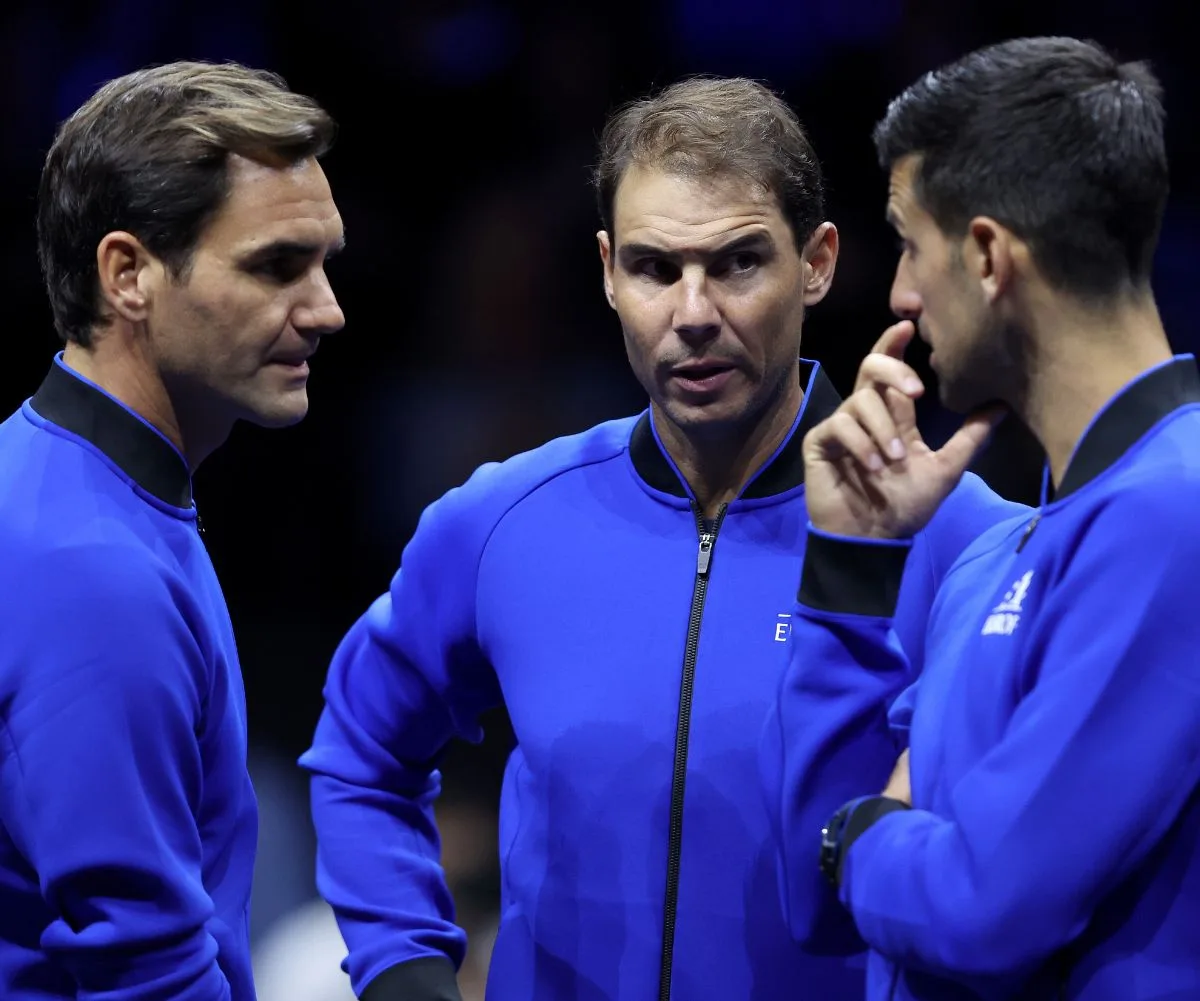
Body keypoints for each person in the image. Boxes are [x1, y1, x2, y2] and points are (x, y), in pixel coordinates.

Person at [300, 76, 1022, 1001]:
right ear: (606, 271)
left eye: (737, 263)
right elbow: (359, 750)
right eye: (654, 267)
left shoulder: (969, 544)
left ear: (818, 262)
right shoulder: (504, 521)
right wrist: (403, 971)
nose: (692, 312)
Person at [763, 36, 1200, 1000]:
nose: (901, 296)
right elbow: (816, 897)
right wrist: (852, 561)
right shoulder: (996, 554)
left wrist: (861, 834)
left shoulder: (1177, 512)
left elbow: (983, 906)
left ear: (991, 254)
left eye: (911, 246)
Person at [0, 62, 345, 1000]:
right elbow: (144, 969)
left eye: (323, 264)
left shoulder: (68, 492)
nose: (325, 310)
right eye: (277, 265)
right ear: (129, 275)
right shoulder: (90, 568)